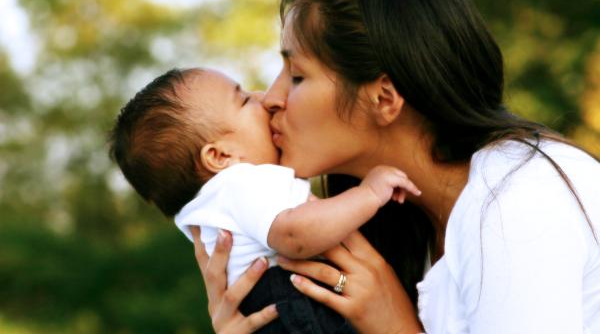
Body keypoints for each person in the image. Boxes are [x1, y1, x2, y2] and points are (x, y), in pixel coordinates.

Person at [193, 0, 600, 334]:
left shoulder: (517, 201)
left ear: (384, 98)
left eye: (297, 76)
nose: (270, 100)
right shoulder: (405, 229)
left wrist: (395, 328)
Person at [108, 66, 421, 333]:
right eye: (244, 99)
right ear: (219, 156)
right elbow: (294, 235)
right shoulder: (241, 182)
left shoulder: (212, 206)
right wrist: (368, 193)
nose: (263, 97)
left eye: (297, 75)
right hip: (294, 305)